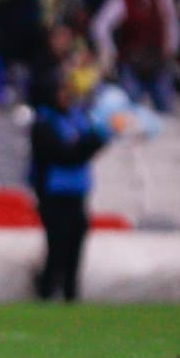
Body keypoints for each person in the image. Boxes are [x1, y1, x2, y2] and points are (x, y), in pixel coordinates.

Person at [28, 70, 111, 303]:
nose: (66, 96)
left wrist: (94, 140)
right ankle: (46, 292)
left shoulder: (76, 118)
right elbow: (64, 154)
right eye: (61, 91)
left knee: (75, 244)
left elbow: (80, 148)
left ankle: (70, 293)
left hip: (76, 194)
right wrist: (91, 142)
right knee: (57, 246)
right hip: (53, 195)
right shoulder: (44, 123)